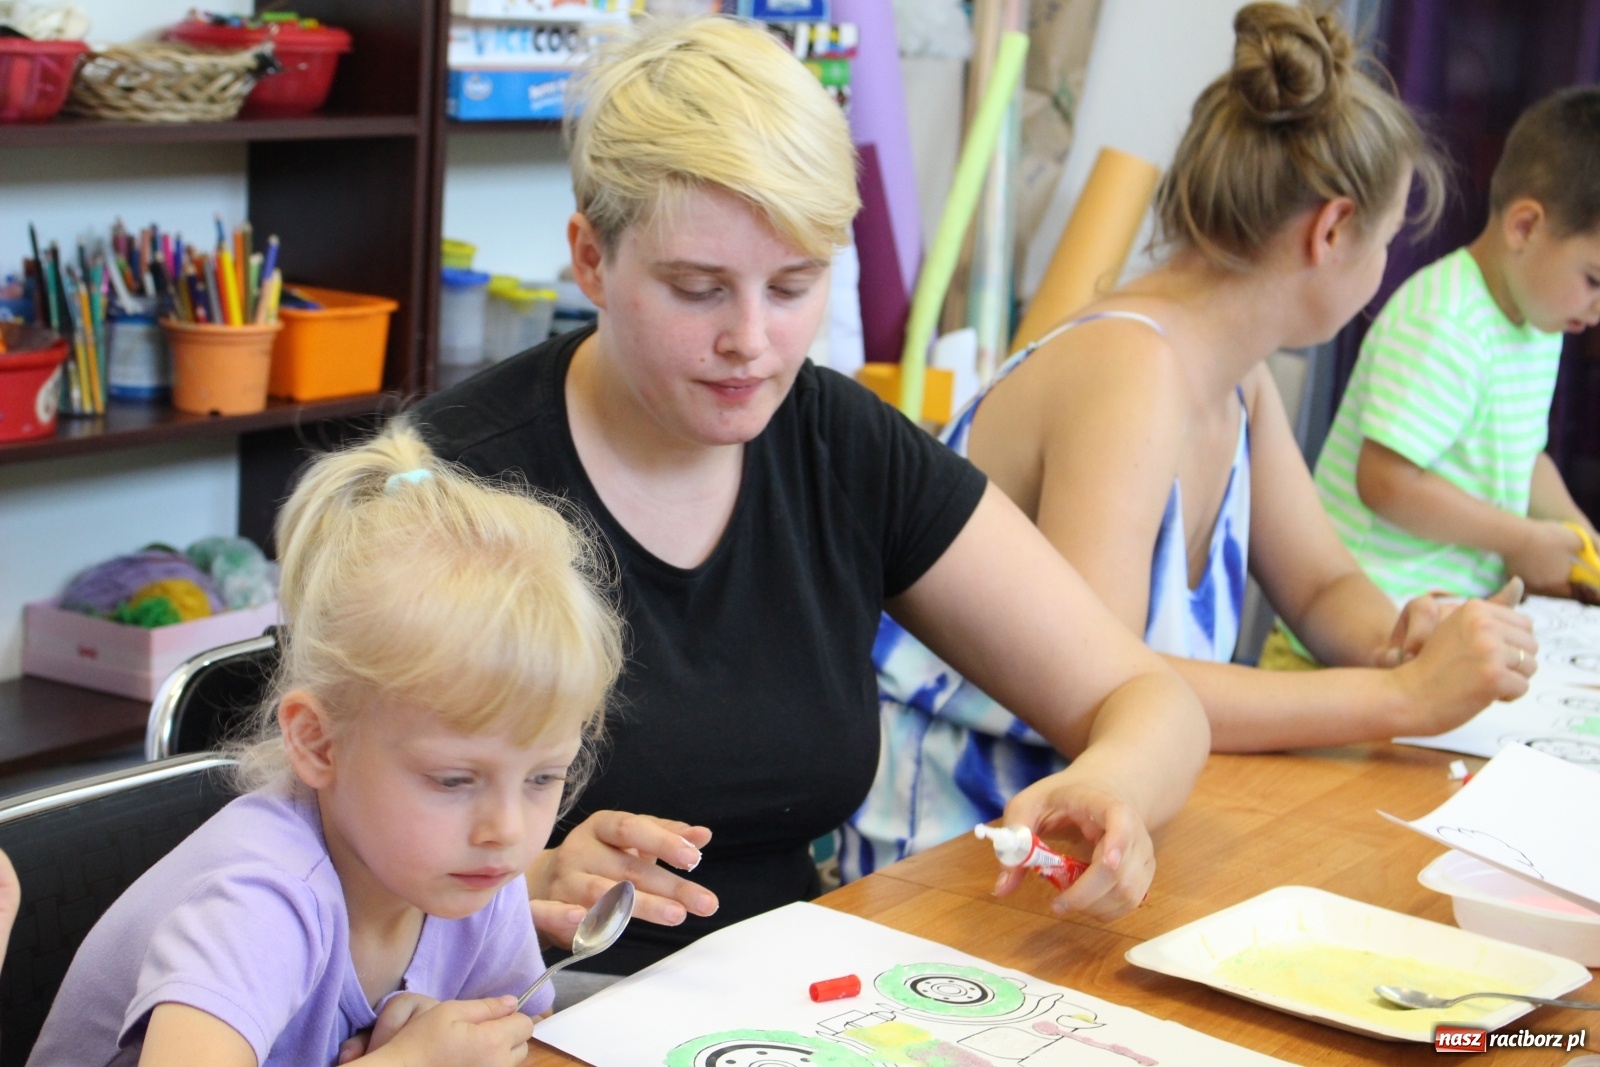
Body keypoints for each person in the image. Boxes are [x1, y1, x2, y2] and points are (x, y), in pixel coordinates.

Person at [410, 14, 1210, 984]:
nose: (752, 340)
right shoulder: (447, 484)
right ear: (591, 261)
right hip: (523, 1008)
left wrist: (1107, 785)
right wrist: (515, 882)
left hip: (794, 998)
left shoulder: (839, 442)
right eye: (698, 288)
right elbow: (302, 847)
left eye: (793, 286)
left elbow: (1149, 699)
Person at [843, 2, 1539, 878]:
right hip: (956, 842)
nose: (1381, 272)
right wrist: (1401, 695)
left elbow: (1322, 587)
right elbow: (1112, 690)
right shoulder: (1126, 371)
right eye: (1387, 241)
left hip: (1099, 831)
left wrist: (1403, 639)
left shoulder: (1235, 373)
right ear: (1329, 231)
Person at [26, 422, 624, 1066]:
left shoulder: (474, 872)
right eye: (454, 780)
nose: (507, 828)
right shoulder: (260, 900)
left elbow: (522, 1050)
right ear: (317, 742)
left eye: (543, 777)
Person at [1309, 86, 1600, 614]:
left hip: (1439, 619)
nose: (1599, 307)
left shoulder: (1541, 323)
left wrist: (1576, 533)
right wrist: (1520, 540)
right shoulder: (1445, 321)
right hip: (1359, 620)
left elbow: (1519, 456)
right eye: (1594, 279)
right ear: (1525, 226)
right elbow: (1387, 483)